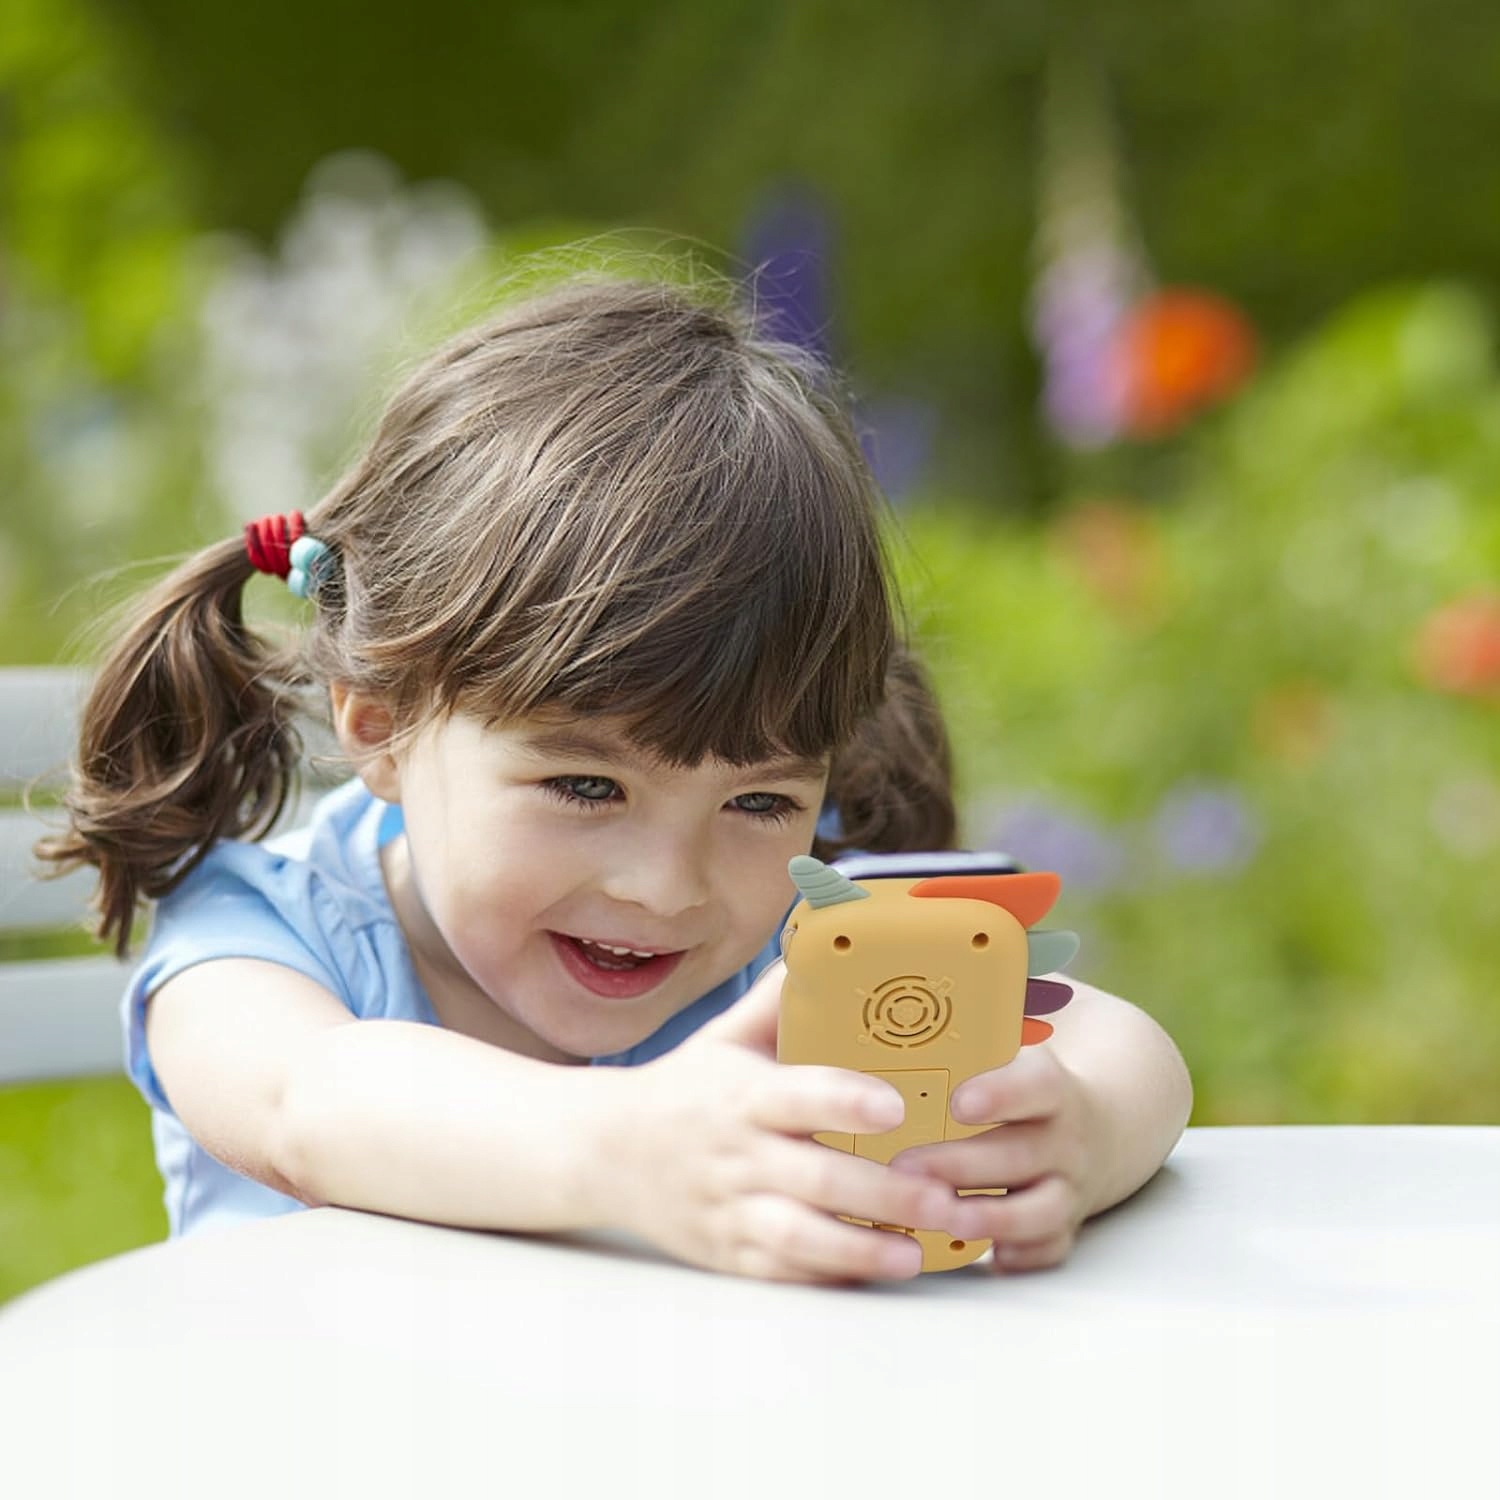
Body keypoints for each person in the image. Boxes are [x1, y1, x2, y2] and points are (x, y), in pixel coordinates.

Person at [37, 272, 1192, 1285]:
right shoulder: (258, 938)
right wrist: (630, 1148)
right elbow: (308, 1106)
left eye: (757, 803)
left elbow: (1122, 1045)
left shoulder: (797, 936)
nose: (667, 889)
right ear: (382, 724)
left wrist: (1072, 1132)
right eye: (587, 787)